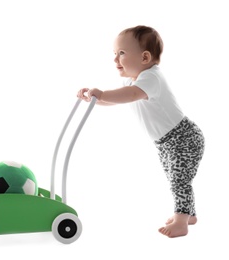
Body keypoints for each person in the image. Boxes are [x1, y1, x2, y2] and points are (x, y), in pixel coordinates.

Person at [77, 25, 205, 238]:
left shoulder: (151, 78)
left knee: (178, 179)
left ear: (145, 57)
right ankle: (188, 213)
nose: (115, 59)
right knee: (174, 176)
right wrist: (94, 100)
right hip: (166, 142)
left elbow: (129, 94)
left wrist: (102, 93)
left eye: (122, 53)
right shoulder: (133, 81)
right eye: (115, 53)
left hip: (183, 138)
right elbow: (119, 99)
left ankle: (181, 220)